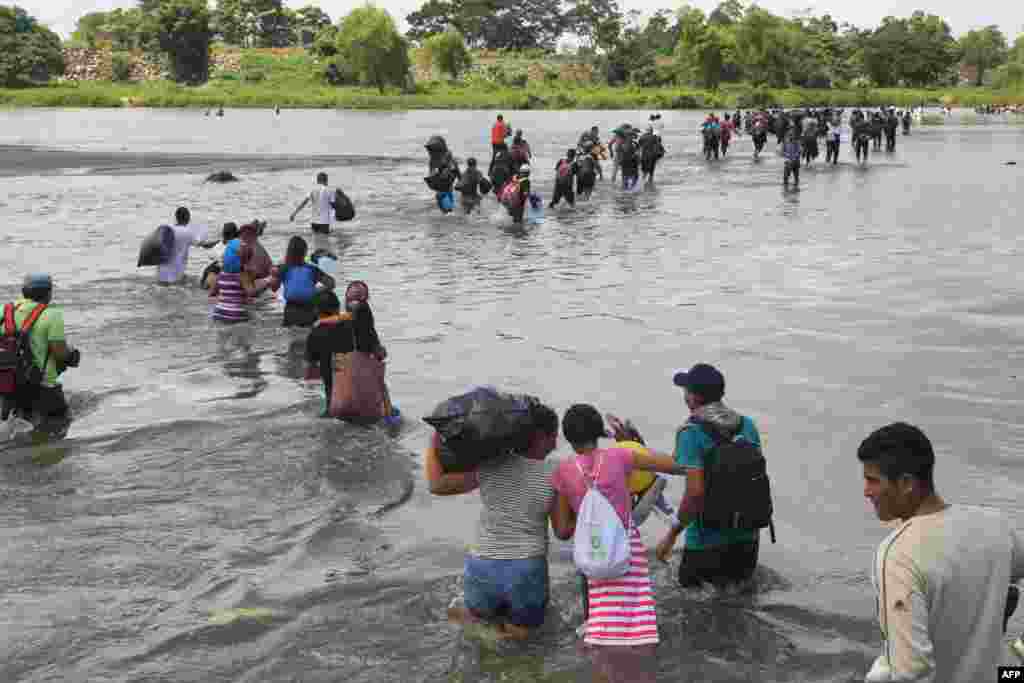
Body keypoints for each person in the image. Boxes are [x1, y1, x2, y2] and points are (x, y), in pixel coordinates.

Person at [858, 423, 1024, 683]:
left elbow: (912, 672)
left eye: (873, 480)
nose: (866, 491)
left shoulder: (898, 555)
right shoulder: (996, 525)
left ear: (906, 483)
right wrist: (1017, 658)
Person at [551, 404, 682, 683]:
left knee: (598, 629)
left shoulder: (562, 472)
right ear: (599, 432)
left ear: (568, 437)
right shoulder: (621, 456)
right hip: (626, 553)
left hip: (592, 554)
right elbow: (677, 465)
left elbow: (562, 530)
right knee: (638, 627)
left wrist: (589, 517)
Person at [426, 403, 568, 641]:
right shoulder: (557, 472)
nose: (555, 444)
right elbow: (562, 531)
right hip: (526, 570)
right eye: (553, 437)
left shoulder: (491, 464)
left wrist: (434, 439)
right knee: (523, 641)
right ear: (541, 437)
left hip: (482, 566)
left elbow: (437, 485)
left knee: (475, 622)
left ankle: (487, 634)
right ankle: (506, 639)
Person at [656, 364, 764, 588]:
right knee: (740, 604)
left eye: (686, 391)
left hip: (705, 542)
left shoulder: (691, 432)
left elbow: (695, 493)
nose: (684, 396)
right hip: (748, 536)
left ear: (693, 397)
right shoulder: (747, 425)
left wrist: (672, 534)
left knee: (693, 609)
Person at [2, 274, 80, 430]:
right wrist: (72, 355)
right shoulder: (52, 315)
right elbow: (60, 353)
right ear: (48, 293)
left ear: (24, 291)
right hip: (43, 387)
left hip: (8, 385)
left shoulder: (5, 310)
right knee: (59, 428)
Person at [304, 283, 387, 417]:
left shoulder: (315, 332)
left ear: (316, 310)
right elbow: (379, 354)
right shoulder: (359, 327)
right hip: (363, 402)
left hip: (335, 404)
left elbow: (309, 374)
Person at [269, 236, 336, 328]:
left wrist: (274, 275)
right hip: (309, 310)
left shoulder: (284, 268)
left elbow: (274, 288)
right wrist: (315, 291)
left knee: (292, 337)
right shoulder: (312, 269)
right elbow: (331, 283)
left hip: (291, 311)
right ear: (305, 252)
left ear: (289, 252)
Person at [158, 207, 212, 285]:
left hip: (161, 272)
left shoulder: (166, 230)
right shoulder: (187, 232)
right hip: (176, 273)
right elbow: (205, 245)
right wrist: (219, 242)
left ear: (176, 217)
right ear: (188, 218)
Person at [209, 239, 255, 324]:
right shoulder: (242, 276)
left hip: (218, 313)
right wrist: (251, 277)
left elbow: (212, 292)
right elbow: (251, 292)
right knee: (253, 318)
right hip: (236, 314)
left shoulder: (220, 274)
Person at [201, 222, 240, 290]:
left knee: (207, 272)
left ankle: (204, 286)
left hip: (222, 266)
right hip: (225, 266)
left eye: (224, 233)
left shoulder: (229, 243)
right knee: (207, 271)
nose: (223, 235)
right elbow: (212, 244)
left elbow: (213, 254)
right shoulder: (229, 242)